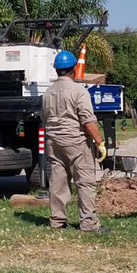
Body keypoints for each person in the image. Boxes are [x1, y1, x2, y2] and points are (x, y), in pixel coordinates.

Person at [41, 50, 108, 232]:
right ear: (74, 69)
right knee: (85, 182)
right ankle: (88, 223)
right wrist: (99, 143)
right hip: (76, 141)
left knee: (58, 182)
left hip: (54, 142)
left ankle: (57, 221)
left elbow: (44, 118)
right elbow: (88, 120)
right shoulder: (78, 91)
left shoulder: (48, 93)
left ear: (56, 70)